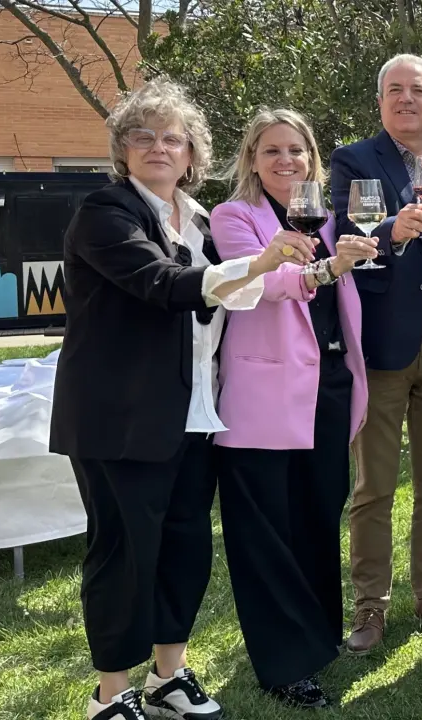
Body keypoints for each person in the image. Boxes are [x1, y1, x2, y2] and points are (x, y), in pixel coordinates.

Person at [50, 78, 312, 720]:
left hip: (194, 412)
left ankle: (169, 676)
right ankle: (111, 694)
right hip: (121, 420)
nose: (158, 147)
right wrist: (259, 264)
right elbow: (163, 284)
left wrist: (310, 270)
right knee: (126, 553)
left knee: (186, 548)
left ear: (193, 153)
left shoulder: (196, 219)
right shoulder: (106, 213)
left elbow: (236, 297)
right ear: (122, 149)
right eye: (143, 136)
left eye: (173, 138)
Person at [210, 108, 376, 708]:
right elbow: (259, 285)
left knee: (316, 517)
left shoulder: (325, 220)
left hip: (328, 387)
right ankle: (283, 664)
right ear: (252, 160)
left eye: (297, 150)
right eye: (272, 150)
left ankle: (318, 639)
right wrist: (329, 268)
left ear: (312, 160)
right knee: (266, 532)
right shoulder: (234, 218)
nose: (286, 161)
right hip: (263, 394)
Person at [330, 54, 422, 650]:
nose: (405, 98)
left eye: (417, 90)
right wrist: (390, 230)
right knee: (375, 486)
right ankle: (370, 606)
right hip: (382, 346)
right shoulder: (354, 160)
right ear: (380, 102)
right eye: (393, 90)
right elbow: (342, 233)